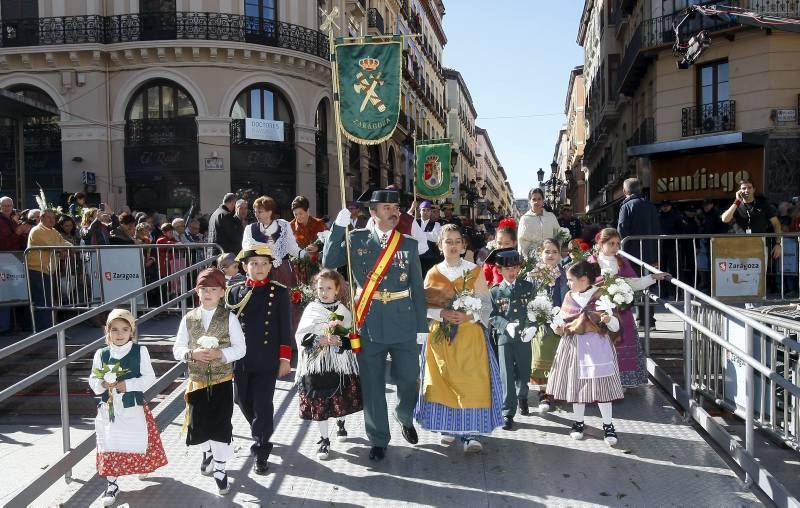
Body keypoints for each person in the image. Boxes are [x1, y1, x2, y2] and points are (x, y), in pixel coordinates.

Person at [322, 188, 427, 461]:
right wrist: (337, 229)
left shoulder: (408, 244)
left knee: (409, 380)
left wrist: (421, 328)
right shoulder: (356, 240)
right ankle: (379, 438)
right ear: (373, 212)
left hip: (403, 321)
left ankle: (404, 415)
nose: (394, 211)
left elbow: (416, 286)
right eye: (387, 207)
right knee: (372, 384)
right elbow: (328, 262)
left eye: (396, 207)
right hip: (368, 322)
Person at [415, 224, 502, 453]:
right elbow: (423, 306)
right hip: (441, 338)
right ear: (440, 245)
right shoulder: (433, 273)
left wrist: (468, 316)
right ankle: (447, 426)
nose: (453, 246)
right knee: (443, 380)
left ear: (463, 246)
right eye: (448, 241)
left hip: (469, 335)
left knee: (471, 381)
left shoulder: (474, 270)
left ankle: (471, 433)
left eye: (457, 241)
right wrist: (441, 313)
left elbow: (486, 305)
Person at [173, 268, 246, 495]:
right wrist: (190, 354)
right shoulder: (189, 318)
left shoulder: (229, 318)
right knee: (199, 425)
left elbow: (241, 349)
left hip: (222, 380)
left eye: (213, 290)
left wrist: (221, 355)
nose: (208, 294)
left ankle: (221, 470)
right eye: (204, 289)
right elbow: (177, 348)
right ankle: (207, 453)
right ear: (197, 291)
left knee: (221, 425)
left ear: (222, 293)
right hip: (197, 381)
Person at [89, 309, 167, 506]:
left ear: (131, 331)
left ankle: (142, 466)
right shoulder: (102, 353)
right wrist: (102, 384)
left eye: (124, 329)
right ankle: (112, 483)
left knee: (138, 441)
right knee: (110, 444)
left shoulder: (140, 351)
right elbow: (93, 379)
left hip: (132, 407)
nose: (119, 334)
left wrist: (128, 385)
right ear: (107, 332)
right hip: (109, 409)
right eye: (114, 329)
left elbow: (149, 378)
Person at [225, 245, 292, 475]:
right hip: (241, 359)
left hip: (267, 359)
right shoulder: (233, 293)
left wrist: (285, 358)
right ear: (244, 267)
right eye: (254, 263)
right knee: (242, 401)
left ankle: (261, 450)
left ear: (271, 266)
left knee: (263, 407)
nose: (260, 268)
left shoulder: (279, 292)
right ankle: (260, 430)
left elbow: (285, 328)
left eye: (264, 263)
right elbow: (226, 328)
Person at [545, 260, 624, 446]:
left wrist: (609, 318)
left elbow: (615, 326)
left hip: (598, 346)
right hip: (573, 346)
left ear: (583, 279)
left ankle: (608, 425)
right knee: (576, 385)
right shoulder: (569, 297)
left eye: (570, 280)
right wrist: (557, 327)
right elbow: (562, 323)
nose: (568, 283)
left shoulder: (601, 295)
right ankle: (578, 422)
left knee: (602, 387)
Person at [295, 269, 362, 460]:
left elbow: (354, 342)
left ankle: (341, 422)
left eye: (328, 288)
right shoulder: (312, 310)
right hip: (317, 365)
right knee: (320, 401)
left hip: (339, 365)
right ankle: (324, 439)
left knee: (340, 397)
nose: (324, 292)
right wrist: (319, 340)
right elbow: (301, 337)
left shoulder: (344, 312)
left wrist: (341, 342)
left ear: (337, 289)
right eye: (320, 288)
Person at [591, 228, 669, 386]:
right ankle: (601, 381)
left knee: (624, 342)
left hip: (621, 310)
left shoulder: (621, 261)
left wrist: (652, 277)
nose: (615, 247)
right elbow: (585, 284)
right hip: (599, 309)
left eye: (618, 244)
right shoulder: (591, 262)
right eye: (611, 243)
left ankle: (623, 381)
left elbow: (633, 282)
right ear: (601, 244)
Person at [489, 249, 534, 430]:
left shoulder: (528, 287)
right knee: (506, 375)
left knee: (524, 372)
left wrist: (533, 326)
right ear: (499, 270)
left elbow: (535, 309)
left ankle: (522, 395)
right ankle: (507, 412)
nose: (512, 271)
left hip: (524, 337)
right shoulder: (494, 292)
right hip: (505, 338)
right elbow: (492, 315)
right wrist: (505, 324)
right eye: (507, 269)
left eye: (515, 267)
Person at [529, 239, 568, 413]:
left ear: (560, 254)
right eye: (547, 252)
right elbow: (529, 299)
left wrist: (563, 320)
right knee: (542, 354)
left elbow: (570, 298)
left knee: (560, 358)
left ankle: (559, 390)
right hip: (541, 323)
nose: (550, 255)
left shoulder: (566, 274)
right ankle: (544, 393)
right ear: (541, 254)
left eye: (554, 251)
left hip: (562, 322)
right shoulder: (534, 274)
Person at [26, 206, 71, 331]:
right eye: (49, 217)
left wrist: (67, 248)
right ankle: (45, 329)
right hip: (37, 270)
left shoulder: (54, 231)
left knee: (48, 300)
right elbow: (51, 247)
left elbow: (66, 243)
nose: (52, 220)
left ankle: (48, 327)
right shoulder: (37, 231)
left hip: (48, 270)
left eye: (53, 218)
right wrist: (61, 251)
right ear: (41, 218)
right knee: (43, 300)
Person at [241, 195, 303, 287]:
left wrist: (305, 254)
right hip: (259, 271)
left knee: (284, 298)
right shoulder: (249, 229)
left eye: (260, 211)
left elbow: (292, 247)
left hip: (282, 270)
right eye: (255, 211)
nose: (256, 214)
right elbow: (246, 251)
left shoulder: (283, 225)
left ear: (269, 212)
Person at [721, 179, 782, 260]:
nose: (747, 190)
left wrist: (778, 243)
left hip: (759, 246)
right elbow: (725, 219)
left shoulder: (763, 204)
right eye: (743, 188)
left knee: (760, 272)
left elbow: (776, 223)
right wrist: (737, 201)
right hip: (739, 247)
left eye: (749, 188)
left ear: (754, 189)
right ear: (739, 191)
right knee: (739, 272)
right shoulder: (736, 205)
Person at [617, 178, 660, 265]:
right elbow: (657, 228)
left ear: (624, 191)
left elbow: (622, 230)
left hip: (633, 254)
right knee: (649, 277)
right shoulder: (651, 205)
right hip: (651, 252)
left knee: (635, 277)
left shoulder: (626, 207)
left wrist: (621, 250)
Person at [518, 188, 560, 259]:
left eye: (539, 199)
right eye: (534, 199)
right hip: (532, 259)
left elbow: (558, 236)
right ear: (529, 201)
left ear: (543, 201)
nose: (537, 202)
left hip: (551, 258)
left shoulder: (551, 217)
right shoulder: (524, 219)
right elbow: (521, 242)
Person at [483, 220, 517, 287]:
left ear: (514, 243)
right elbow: (483, 279)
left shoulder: (520, 260)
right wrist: (490, 285)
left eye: (507, 243)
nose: (502, 247)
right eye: (499, 243)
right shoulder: (490, 262)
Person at [416, 200, 443, 276]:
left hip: (431, 257)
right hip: (417, 257)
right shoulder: (414, 222)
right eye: (423, 210)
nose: (426, 212)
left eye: (428, 210)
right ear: (419, 211)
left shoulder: (436, 224)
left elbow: (435, 237)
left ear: (430, 212)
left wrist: (419, 233)